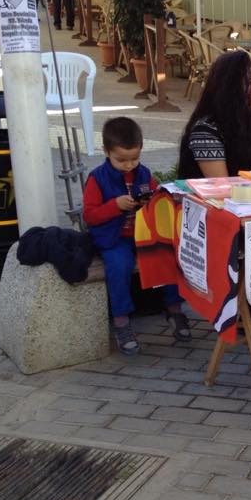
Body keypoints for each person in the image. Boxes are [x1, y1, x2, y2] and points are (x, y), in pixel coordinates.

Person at [83, 117, 190, 355]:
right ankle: (121, 320)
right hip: (113, 238)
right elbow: (90, 216)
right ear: (106, 152)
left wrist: (156, 199)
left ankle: (174, 308)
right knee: (119, 265)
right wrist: (115, 206)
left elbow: (155, 196)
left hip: (143, 234)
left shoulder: (144, 174)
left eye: (134, 158)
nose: (129, 165)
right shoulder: (97, 178)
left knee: (168, 254)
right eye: (121, 160)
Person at [177, 50, 251, 179]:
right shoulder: (205, 132)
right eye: (250, 82)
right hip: (221, 192)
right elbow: (221, 185)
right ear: (230, 88)